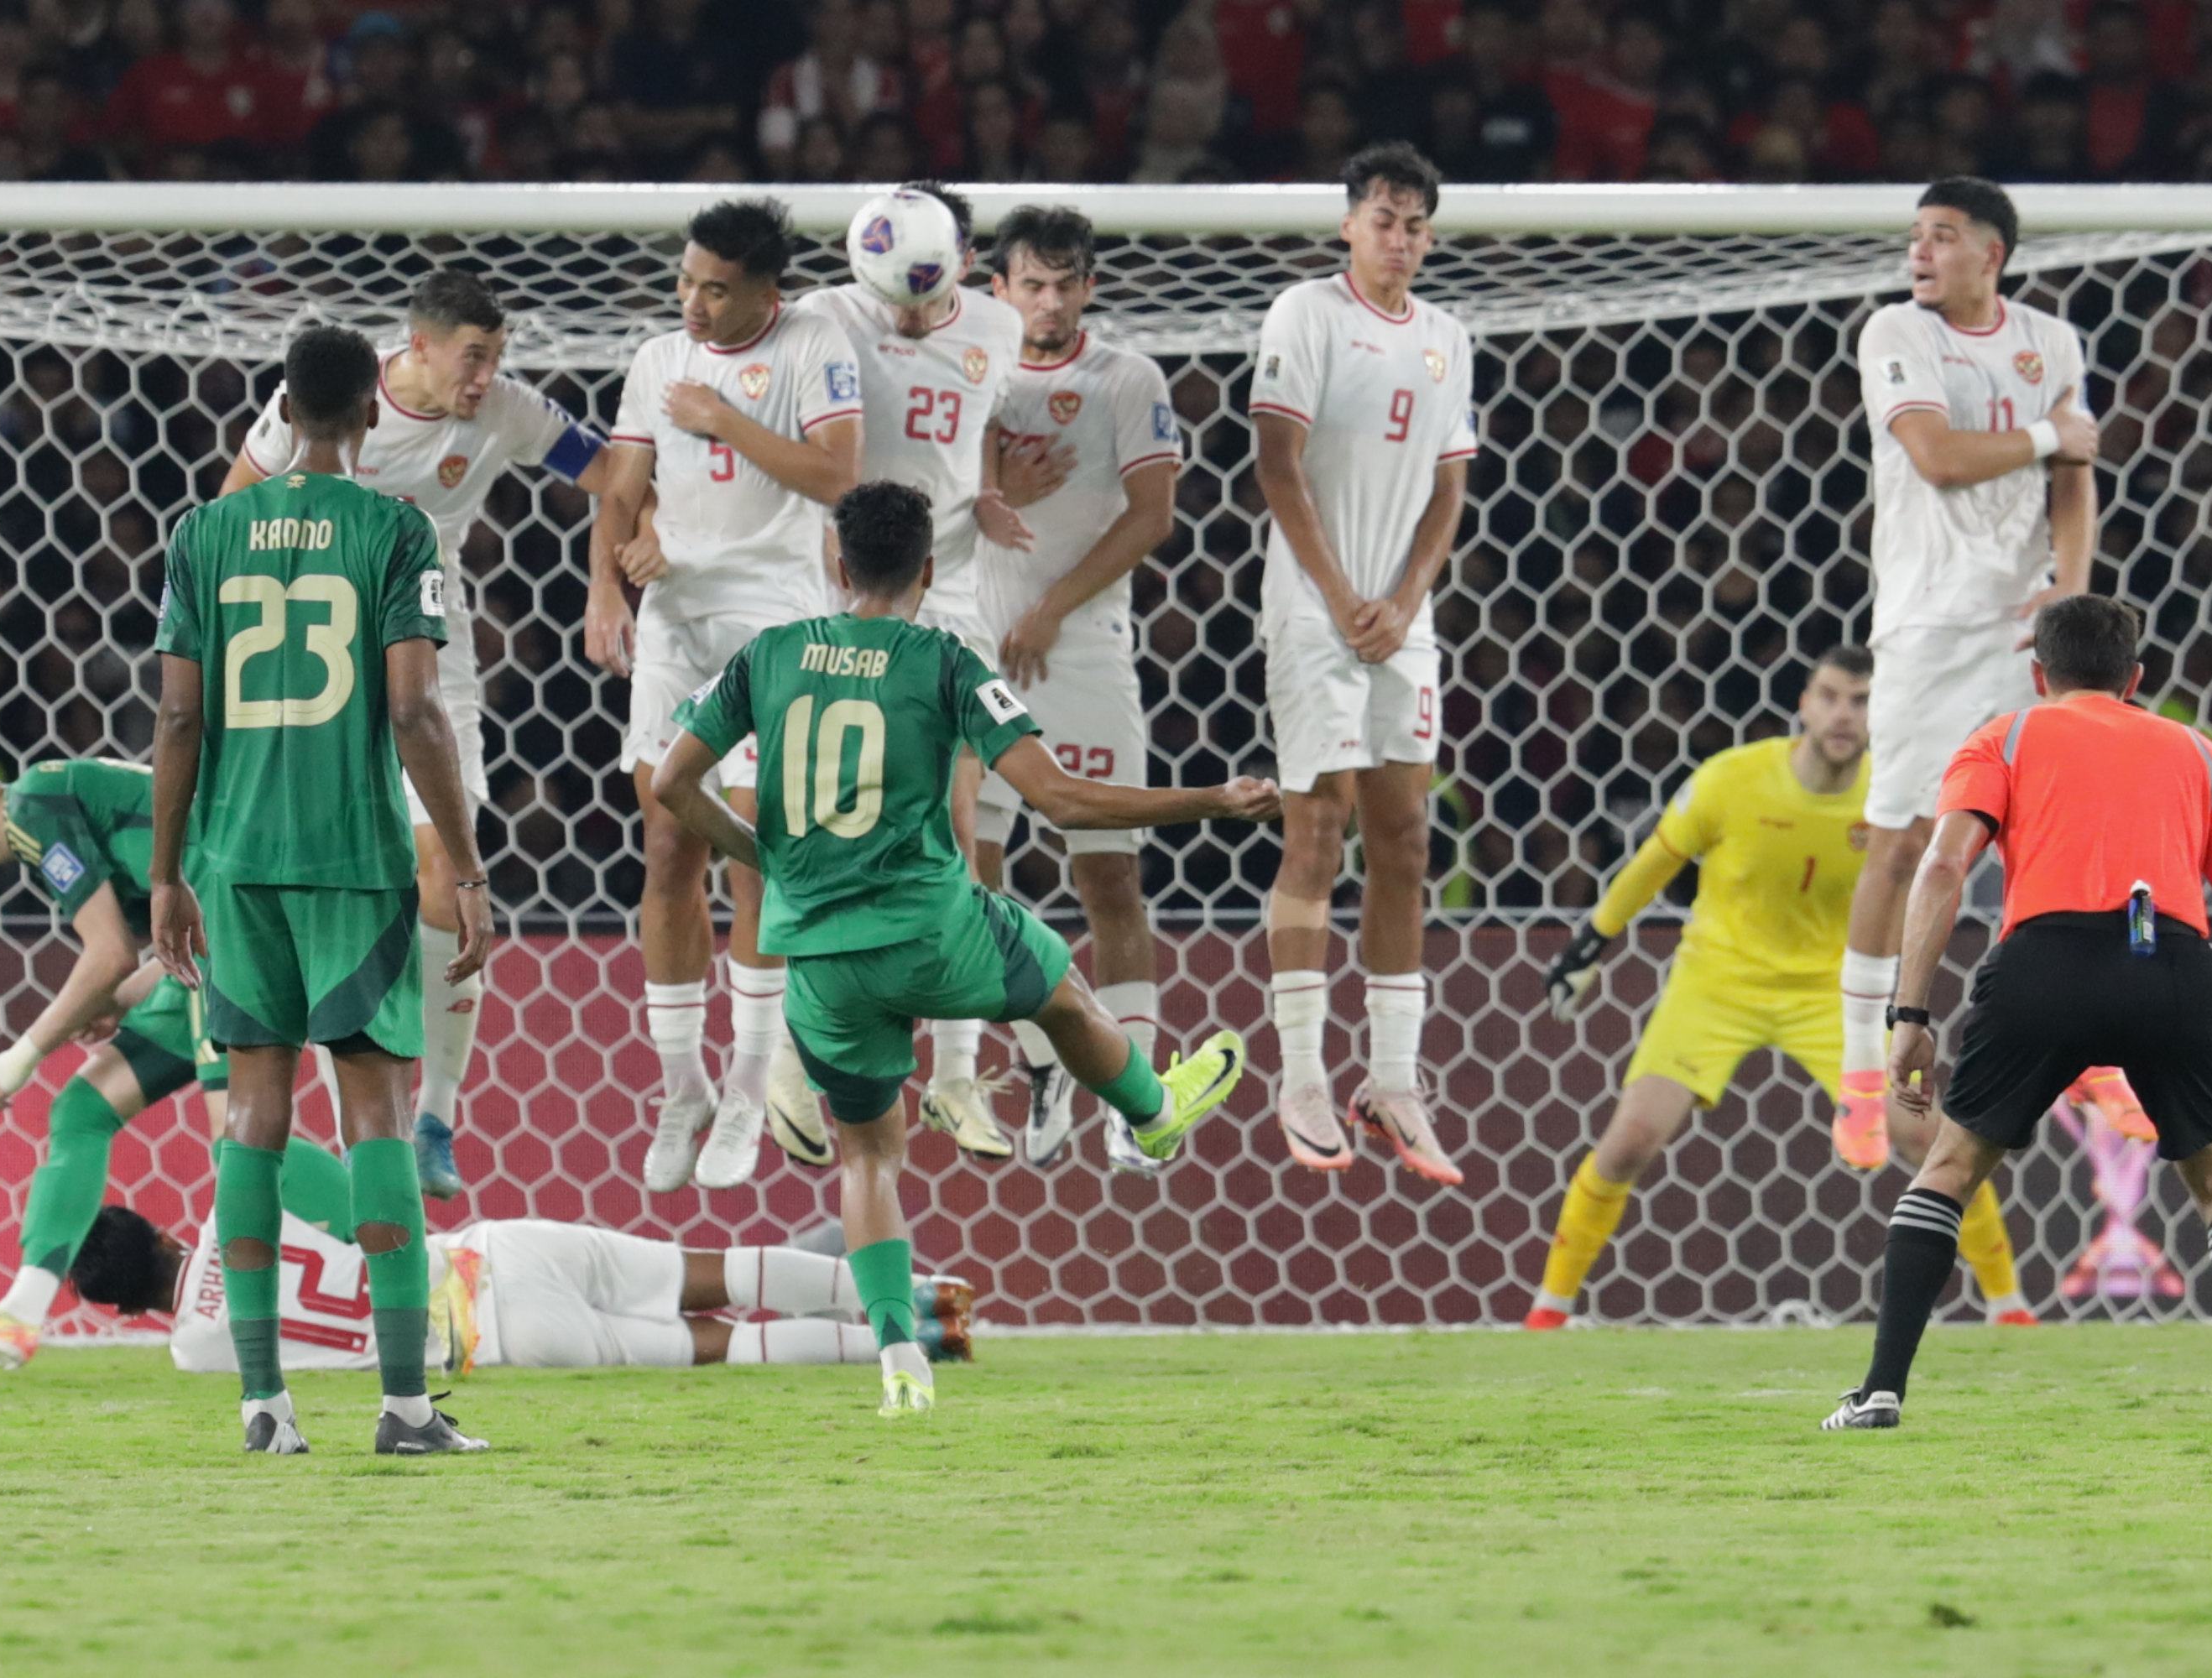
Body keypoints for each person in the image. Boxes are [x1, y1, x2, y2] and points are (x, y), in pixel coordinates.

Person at [650, 481, 1276, 1415]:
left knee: (868, 1157)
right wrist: (1211, 801)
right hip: (935, 930)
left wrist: (764, 857)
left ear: (836, 560)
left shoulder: (768, 655)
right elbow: (1061, 801)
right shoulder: (944, 659)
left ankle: (901, 1353)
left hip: (817, 956)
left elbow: (671, 782)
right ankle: (1149, 1111)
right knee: (1064, 998)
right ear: (929, 570)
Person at [1825, 596, 2212, 1430]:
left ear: (2040, 675)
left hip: (2045, 965)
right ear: (2137, 677)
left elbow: (1939, 869)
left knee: (1951, 1170)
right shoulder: (2203, 754)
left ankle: (1880, 1391)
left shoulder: (2003, 737)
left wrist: (1909, 1012)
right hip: (2171, 967)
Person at [149, 324, 492, 1457]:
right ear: (369, 417)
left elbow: (180, 716)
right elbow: (412, 710)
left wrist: (165, 871)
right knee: (378, 1114)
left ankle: (264, 1403)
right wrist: (467, 860)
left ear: (284, 413)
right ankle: (401, 1407)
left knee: (252, 1111)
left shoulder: (203, 532)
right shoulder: (397, 531)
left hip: (233, 862)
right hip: (354, 861)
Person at [223, 268, 620, 1201]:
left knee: (444, 872)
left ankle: (436, 1113)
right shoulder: (328, 407)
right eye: (472, 357)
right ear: (419, 345)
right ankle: (365, 1114)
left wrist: (612, 570)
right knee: (342, 891)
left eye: (497, 358)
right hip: (319, 671)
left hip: (433, 658)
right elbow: (232, 509)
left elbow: (612, 469)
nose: (485, 377)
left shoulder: (509, 413)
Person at [1530, 650, 2037, 1328]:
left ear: (1881, 712)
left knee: (1928, 1139)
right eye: (1829, 696)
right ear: (1803, 703)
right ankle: (1548, 1310)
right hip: (1717, 984)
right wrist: (1590, 942)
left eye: (1860, 701)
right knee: (1628, 1144)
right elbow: (1656, 861)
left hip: (1833, 995)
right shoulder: (1732, 780)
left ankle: (2010, 1308)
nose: (1842, 714)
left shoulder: (1893, 797)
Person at [1838, 175, 2146, 1185]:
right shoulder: (1896, 332)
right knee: (1904, 843)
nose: (1919, 251)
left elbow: (2075, 479)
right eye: (1914, 236)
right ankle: (1862, 1074)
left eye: (1942, 236)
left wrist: (2071, 585)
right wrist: (2056, 433)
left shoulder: (2051, 340)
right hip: (1929, 625)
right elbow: (1934, 456)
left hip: (2027, 630)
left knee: (2054, 843)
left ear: (1992, 253)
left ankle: (2095, 1054)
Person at [583, 198, 863, 1196]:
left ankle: (750, 1084)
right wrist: (605, 586)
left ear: (764, 293)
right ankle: (681, 1085)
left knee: (755, 848)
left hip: (774, 619)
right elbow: (621, 487)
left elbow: (840, 476)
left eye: (714, 288)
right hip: (676, 619)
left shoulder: (813, 343)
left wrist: (728, 419)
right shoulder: (658, 358)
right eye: (686, 280)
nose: (692, 302)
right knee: (667, 842)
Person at [1247, 142, 1476, 1186]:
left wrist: (1408, 599)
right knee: (1319, 825)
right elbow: (1275, 462)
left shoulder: (1447, 337)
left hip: (1400, 619)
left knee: (1406, 835)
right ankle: (1299, 1074)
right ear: (1350, 225)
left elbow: (1447, 491)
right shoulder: (1306, 313)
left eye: (1417, 222)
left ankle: (1392, 1079)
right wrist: (1341, 595)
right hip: (1312, 607)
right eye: (1385, 218)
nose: (1402, 238)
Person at [800, 181, 1035, 1164]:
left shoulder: (999, 326)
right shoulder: (823, 317)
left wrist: (980, 495)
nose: (898, 312)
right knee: (840, 825)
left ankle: (952, 1075)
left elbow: (973, 424)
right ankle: (800, 1065)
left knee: (963, 823)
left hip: (953, 594)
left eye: (918, 294)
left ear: (963, 269)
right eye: (885, 290)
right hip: (851, 589)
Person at [70, 1137, 975, 1374]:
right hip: (487, 1255)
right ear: (159, 1227)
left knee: (719, 1344)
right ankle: (916, 1298)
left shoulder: (194, 1349)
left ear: (121, 1307)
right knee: (715, 1268)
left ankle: (926, 1347)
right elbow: (349, 1194)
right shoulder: (242, 1206)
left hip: (488, 1340)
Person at [0, 753, 228, 1369]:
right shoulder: (41, 809)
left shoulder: (31, 804)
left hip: (241, 924)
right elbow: (134, 953)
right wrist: (112, 1002)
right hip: (206, 946)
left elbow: (108, 956)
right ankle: (20, 1313)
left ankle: (437, 1266)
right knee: (81, 1110)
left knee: (243, 1145)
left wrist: (22, 1055)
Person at [970, 203, 1183, 1175]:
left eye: (1066, 284)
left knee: (1110, 881)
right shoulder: (972, 371)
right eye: (1031, 284)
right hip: (977, 652)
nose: (1048, 302)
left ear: (1088, 286)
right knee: (973, 878)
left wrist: (1055, 605)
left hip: (1084, 650)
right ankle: (1043, 1053)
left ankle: (1133, 1099)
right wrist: (988, 482)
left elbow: (1153, 515)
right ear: (997, 287)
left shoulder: (1127, 379)